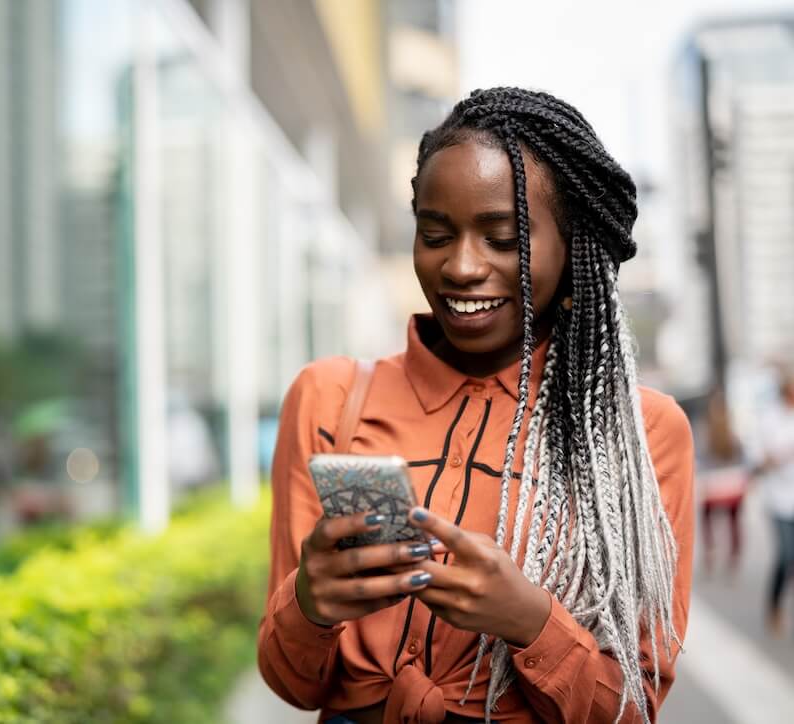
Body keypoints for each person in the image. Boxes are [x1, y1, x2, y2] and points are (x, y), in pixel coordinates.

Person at [258, 88, 694, 724]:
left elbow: (632, 709)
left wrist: (531, 623)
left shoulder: (639, 432)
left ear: (572, 247)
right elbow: (291, 683)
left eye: (501, 238)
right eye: (435, 234)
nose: (461, 266)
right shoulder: (327, 398)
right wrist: (311, 604)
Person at [753, 371, 794, 636]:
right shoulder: (769, 417)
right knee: (786, 556)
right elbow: (757, 457)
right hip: (778, 499)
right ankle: (774, 605)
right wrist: (773, 458)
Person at [695, 389, 749, 576]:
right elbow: (742, 456)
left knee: (708, 518)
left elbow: (700, 459)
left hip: (713, 484)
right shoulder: (732, 431)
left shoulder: (707, 431)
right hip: (731, 483)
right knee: (733, 521)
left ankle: (711, 551)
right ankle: (733, 555)